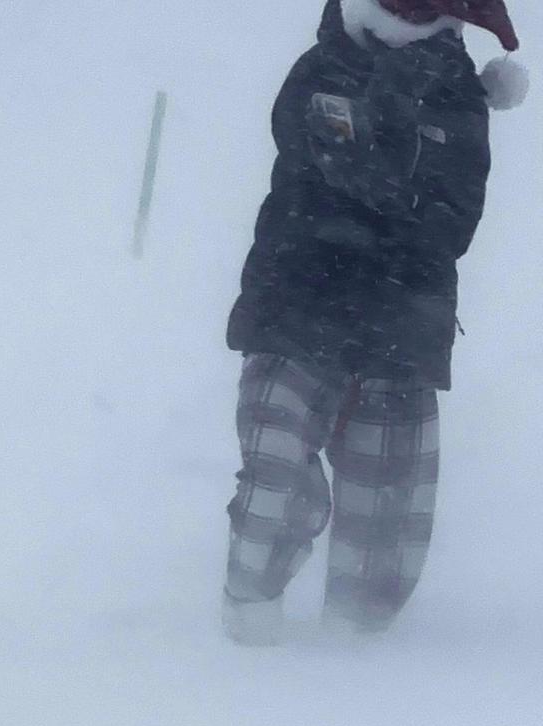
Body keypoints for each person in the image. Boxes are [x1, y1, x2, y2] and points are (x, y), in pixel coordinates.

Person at [221, 0, 527, 644]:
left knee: (387, 513)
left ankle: (360, 665)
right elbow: (314, 166)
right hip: (296, 305)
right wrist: (382, 184)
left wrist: (386, 196)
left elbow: (451, 219)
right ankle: (246, 630)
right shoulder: (323, 67)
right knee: (274, 475)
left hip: (403, 324)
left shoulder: (459, 97)